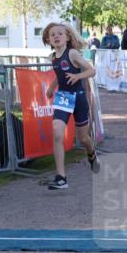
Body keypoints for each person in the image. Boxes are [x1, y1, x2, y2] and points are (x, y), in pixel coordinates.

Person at [41, 22, 99, 191]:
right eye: (52, 35)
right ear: (48, 40)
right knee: (57, 132)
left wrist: (77, 76)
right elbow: (60, 74)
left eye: (60, 33)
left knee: (83, 138)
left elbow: (92, 70)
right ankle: (61, 177)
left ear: (67, 37)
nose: (56, 36)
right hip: (63, 97)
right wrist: (52, 87)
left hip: (79, 97)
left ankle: (91, 153)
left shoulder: (72, 53)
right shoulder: (53, 57)